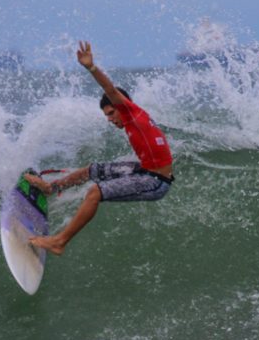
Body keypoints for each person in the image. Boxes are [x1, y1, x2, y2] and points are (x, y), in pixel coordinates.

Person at [25, 41, 174, 255]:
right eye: (107, 116)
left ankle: (59, 241)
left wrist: (90, 67)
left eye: (111, 113)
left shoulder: (132, 113)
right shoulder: (136, 116)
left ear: (122, 106)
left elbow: (109, 89)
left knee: (95, 192)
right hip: (145, 170)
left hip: (155, 182)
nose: (110, 120)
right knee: (91, 170)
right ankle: (52, 188)